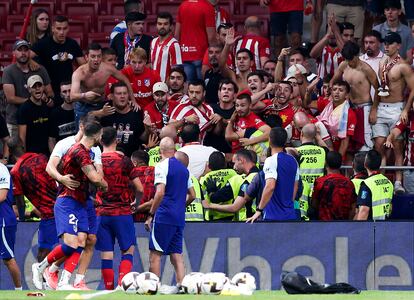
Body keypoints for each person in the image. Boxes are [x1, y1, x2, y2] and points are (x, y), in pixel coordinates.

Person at [32, 122, 108, 291]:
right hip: (68, 201)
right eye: (100, 135)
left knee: (82, 241)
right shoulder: (78, 151)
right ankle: (42, 266)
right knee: (70, 244)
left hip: (81, 201)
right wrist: (104, 185)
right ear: (96, 135)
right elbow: (95, 179)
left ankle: (64, 281)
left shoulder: (89, 151)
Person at [145, 137, 195, 292]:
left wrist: (151, 214)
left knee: (155, 254)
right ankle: (182, 286)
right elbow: (192, 195)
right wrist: (180, 207)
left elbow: (160, 192)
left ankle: (153, 288)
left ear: (160, 151)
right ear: (174, 150)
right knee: (176, 254)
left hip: (164, 215)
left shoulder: (161, 166)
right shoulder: (184, 170)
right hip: (179, 217)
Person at [96, 127, 143, 290]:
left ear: (101, 141)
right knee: (127, 250)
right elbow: (140, 188)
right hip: (122, 213)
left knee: (106, 253)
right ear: (117, 140)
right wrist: (136, 203)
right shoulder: (125, 161)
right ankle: (122, 287)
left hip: (102, 213)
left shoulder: (96, 161)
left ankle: (109, 289)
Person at [371, 32, 414, 193]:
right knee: (379, 145)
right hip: (381, 108)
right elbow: (378, 87)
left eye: (389, 43)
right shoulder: (382, 62)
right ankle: (380, 180)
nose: (386, 46)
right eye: (385, 43)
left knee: (397, 146)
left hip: (397, 107)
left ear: (398, 45)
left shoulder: (403, 65)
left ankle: (397, 183)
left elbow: (413, 89)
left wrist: (405, 109)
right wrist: (374, 108)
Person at [9, 138, 57, 263]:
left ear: (9, 152)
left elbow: (19, 200)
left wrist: (22, 217)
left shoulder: (15, 171)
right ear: (23, 146)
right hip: (62, 205)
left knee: (44, 252)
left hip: (49, 213)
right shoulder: (42, 157)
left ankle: (43, 279)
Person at [331, 41, 380, 152]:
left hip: (365, 107)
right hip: (349, 107)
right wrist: (330, 93)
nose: (349, 62)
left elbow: (378, 88)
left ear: (357, 56)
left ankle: (365, 167)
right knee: (349, 142)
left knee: (365, 143)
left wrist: (374, 109)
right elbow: (333, 81)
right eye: (347, 59)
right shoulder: (344, 65)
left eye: (351, 59)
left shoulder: (366, 69)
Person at [70, 43, 136, 125]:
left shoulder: (107, 69)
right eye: (93, 56)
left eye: (99, 56)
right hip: (84, 106)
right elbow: (72, 96)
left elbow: (125, 80)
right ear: (87, 57)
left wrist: (133, 100)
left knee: (103, 134)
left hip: (101, 105)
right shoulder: (79, 73)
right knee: (83, 135)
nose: (96, 59)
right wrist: (84, 95)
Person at [2, 40, 53, 139]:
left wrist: (47, 99)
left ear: (29, 52)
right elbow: (10, 98)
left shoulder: (40, 69)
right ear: (13, 53)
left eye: (26, 50)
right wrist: (33, 101)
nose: (23, 53)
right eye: (19, 50)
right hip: (15, 120)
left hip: (38, 120)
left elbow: (50, 92)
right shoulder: (8, 71)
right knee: (17, 151)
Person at [247, 127, 299, 222]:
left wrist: (259, 210)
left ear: (269, 140)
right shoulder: (293, 161)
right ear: (284, 142)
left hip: (273, 217)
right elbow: (295, 187)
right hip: (290, 216)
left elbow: (270, 186)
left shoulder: (271, 160)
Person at [31, 15, 86, 104]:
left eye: (64, 29)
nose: (62, 32)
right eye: (58, 28)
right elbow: (26, 56)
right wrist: (31, 62)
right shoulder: (44, 43)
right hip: (50, 89)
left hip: (68, 89)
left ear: (68, 29)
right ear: (53, 29)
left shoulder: (72, 44)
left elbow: (83, 65)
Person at [204, 149, 259, 221]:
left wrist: (210, 205)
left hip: (250, 221)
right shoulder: (261, 174)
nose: (234, 167)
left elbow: (235, 207)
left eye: (234, 163)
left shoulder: (249, 180)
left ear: (241, 160)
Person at [100, 82, 147, 157]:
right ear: (111, 96)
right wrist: (100, 113)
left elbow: (142, 137)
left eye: (125, 93)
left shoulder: (136, 111)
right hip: (108, 157)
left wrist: (147, 128)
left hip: (131, 159)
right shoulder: (105, 108)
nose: (122, 96)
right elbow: (87, 118)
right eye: (119, 94)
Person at [175, 0, 216, 81]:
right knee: (203, 88)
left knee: (189, 88)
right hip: (201, 55)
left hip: (185, 53)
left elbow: (176, 35)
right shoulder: (208, 7)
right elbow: (211, 37)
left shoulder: (182, 6)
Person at [310, 151, 356, 221]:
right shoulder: (349, 183)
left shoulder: (320, 182)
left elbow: (314, 204)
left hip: (324, 225)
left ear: (326, 164)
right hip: (344, 226)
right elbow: (353, 207)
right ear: (341, 164)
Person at [318, 80, 357, 160]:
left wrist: (337, 160)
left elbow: (345, 141)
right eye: (334, 89)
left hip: (337, 154)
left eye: (341, 90)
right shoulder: (326, 105)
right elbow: (307, 104)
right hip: (321, 151)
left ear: (346, 95)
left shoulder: (350, 114)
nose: (337, 92)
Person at [0, 159, 22, 290]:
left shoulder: (1, 169)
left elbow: (2, 196)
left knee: (8, 258)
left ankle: (18, 291)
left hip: (3, 220)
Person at [225, 93, 270, 158]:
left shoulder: (254, 120)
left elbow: (269, 132)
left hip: (244, 156)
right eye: (237, 105)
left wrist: (250, 141)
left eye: (242, 105)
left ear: (250, 105)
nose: (239, 108)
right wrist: (230, 120)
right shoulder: (236, 115)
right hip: (234, 152)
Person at [355, 149, 393, 220]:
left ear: (365, 164)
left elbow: (364, 211)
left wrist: (358, 230)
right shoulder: (388, 182)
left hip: (373, 227)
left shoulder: (367, 184)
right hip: (386, 225)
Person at [17, 75, 51, 155]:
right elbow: (22, 138)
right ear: (29, 89)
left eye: (39, 85)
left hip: (47, 153)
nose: (37, 88)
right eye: (34, 86)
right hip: (31, 154)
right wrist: (24, 158)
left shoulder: (46, 106)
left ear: (43, 87)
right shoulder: (24, 109)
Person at [203, 78, 237, 155]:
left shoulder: (237, 111)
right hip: (209, 152)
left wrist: (222, 119)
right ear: (219, 93)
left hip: (230, 153)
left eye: (230, 90)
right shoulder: (210, 108)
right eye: (224, 89)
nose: (226, 91)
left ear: (234, 95)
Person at [150, 12, 182, 82]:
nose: (162, 26)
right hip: (152, 85)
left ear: (170, 26)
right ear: (156, 25)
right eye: (160, 24)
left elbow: (176, 71)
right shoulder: (153, 42)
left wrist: (167, 87)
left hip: (165, 87)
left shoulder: (174, 44)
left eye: (165, 24)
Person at [48, 81, 76, 149]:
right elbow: (51, 139)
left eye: (70, 91)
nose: (68, 94)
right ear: (61, 94)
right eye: (64, 92)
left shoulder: (81, 110)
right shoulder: (55, 114)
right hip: (64, 154)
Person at [131, 150, 155, 222]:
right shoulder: (156, 172)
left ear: (135, 163)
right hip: (152, 219)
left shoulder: (130, 175)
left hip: (133, 218)